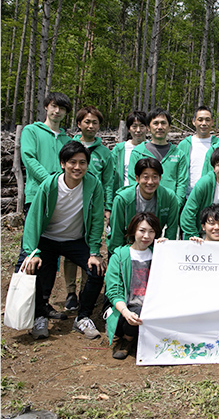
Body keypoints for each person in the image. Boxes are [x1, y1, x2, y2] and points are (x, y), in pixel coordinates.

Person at [17, 141, 106, 340]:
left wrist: (94, 252)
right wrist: (32, 252)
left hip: (75, 240)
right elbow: (33, 219)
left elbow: (97, 219)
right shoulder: (49, 185)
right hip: (47, 239)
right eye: (72, 162)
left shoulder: (93, 184)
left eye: (82, 162)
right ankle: (40, 315)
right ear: (62, 164)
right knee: (33, 269)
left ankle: (82, 317)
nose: (77, 167)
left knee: (96, 271)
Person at [64, 105, 114, 312]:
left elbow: (109, 181)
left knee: (90, 246)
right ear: (79, 124)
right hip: (71, 206)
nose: (91, 125)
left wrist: (108, 206)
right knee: (69, 248)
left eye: (95, 122)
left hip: (94, 208)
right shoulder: (70, 146)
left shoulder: (104, 153)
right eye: (87, 121)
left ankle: (86, 290)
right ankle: (69, 292)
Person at [105, 212, 163, 360]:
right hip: (127, 309)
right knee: (136, 312)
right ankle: (126, 339)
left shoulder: (159, 253)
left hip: (153, 307)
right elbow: (113, 290)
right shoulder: (119, 255)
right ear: (133, 231)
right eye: (142, 230)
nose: (146, 236)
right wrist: (125, 311)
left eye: (151, 232)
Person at [108, 158, 180, 256]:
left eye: (155, 177)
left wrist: (165, 250)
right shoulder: (122, 199)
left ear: (160, 178)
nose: (150, 182)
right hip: (127, 247)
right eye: (145, 177)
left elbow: (172, 230)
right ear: (137, 178)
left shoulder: (169, 197)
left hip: (154, 247)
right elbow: (117, 234)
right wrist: (119, 257)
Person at [20, 91, 72, 215]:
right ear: (46, 107)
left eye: (62, 108)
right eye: (54, 106)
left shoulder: (67, 140)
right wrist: (49, 181)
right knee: (34, 234)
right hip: (36, 194)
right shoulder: (31, 131)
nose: (57, 111)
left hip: (61, 197)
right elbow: (29, 159)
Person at [127, 107, 189, 206]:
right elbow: (132, 181)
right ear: (148, 127)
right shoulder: (138, 152)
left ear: (169, 127)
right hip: (143, 207)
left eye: (163, 123)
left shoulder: (179, 154)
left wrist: (176, 205)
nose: (160, 127)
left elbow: (182, 183)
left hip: (170, 207)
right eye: (155, 123)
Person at [176, 106, 219, 198]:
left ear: (212, 122)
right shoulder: (184, 145)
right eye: (200, 120)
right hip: (187, 196)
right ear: (193, 121)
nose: (204, 123)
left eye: (207, 120)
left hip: (212, 195)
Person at [111, 111, 147, 195]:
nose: (138, 130)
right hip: (124, 195)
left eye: (142, 126)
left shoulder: (152, 148)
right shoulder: (119, 150)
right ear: (128, 129)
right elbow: (111, 176)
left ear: (147, 128)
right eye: (134, 127)